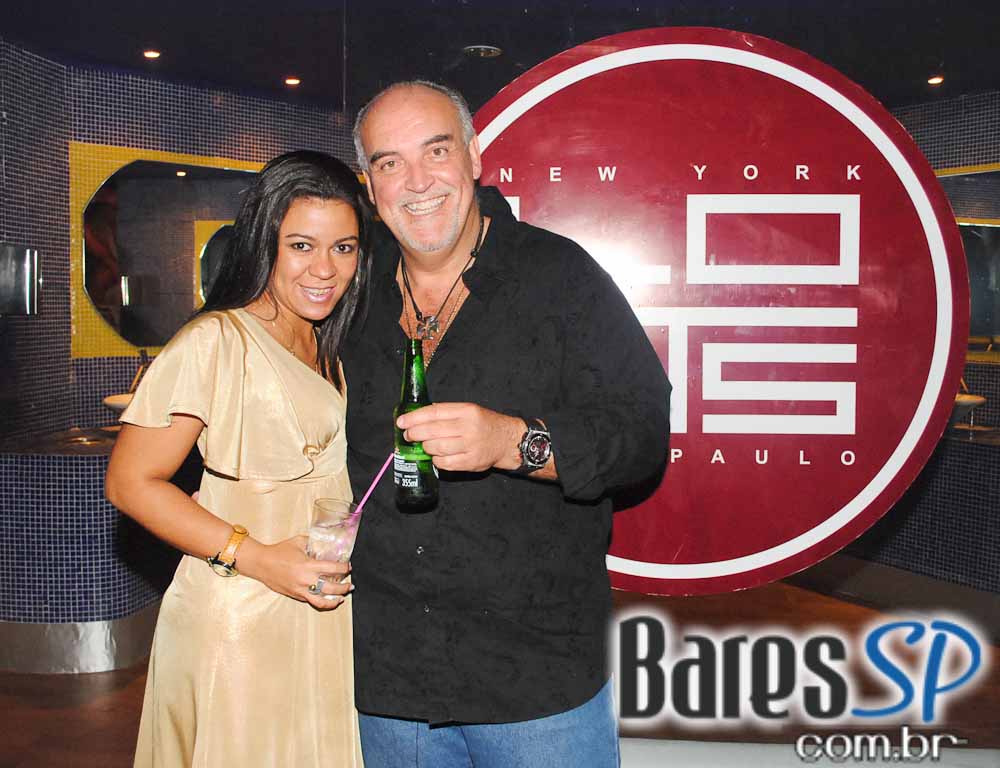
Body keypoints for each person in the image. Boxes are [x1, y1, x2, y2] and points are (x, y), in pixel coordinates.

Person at [343, 80, 671, 767]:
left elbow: (642, 434)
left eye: (436, 151)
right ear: (369, 186)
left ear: (473, 156)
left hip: (536, 684)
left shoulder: (559, 275)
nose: (417, 181)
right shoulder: (348, 292)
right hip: (391, 678)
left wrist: (514, 442)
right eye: (390, 163)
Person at [105, 150, 370, 767]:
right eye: (301, 246)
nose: (325, 269)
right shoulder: (216, 340)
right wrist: (257, 557)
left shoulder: (321, 340)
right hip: (239, 611)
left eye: (344, 248)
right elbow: (130, 482)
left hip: (316, 598)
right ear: (263, 242)